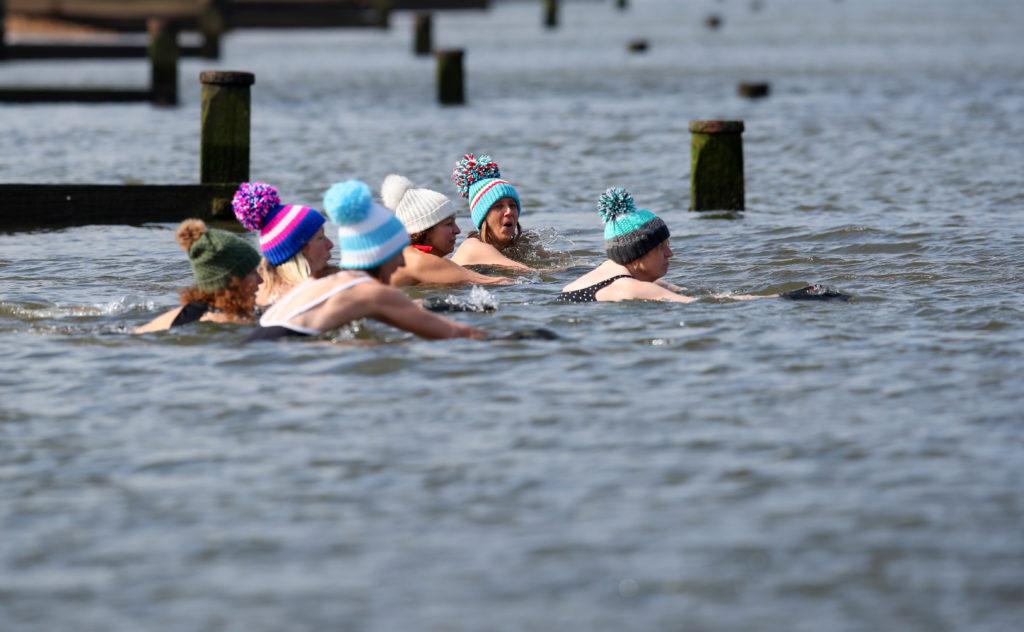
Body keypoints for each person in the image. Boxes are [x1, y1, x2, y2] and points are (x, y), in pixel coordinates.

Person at [248, 180, 487, 342]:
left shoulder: (324, 283)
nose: (402, 264)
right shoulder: (372, 293)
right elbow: (454, 333)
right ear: (381, 254)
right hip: (276, 359)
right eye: (398, 252)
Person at [379, 174, 512, 287]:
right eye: (449, 224)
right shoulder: (419, 260)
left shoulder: (400, 255)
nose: (457, 230)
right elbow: (500, 283)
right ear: (425, 230)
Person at [134, 219, 262, 333]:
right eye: (252, 272)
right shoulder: (234, 322)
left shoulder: (176, 317)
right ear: (231, 281)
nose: (260, 280)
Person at [231, 181, 335, 307]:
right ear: (299, 251)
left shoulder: (254, 292)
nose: (330, 244)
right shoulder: (317, 294)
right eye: (320, 238)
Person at [448, 154, 534, 272]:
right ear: (483, 217)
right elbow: (531, 272)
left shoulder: (519, 246)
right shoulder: (473, 247)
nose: (509, 211)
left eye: (512, 205)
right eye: (498, 206)